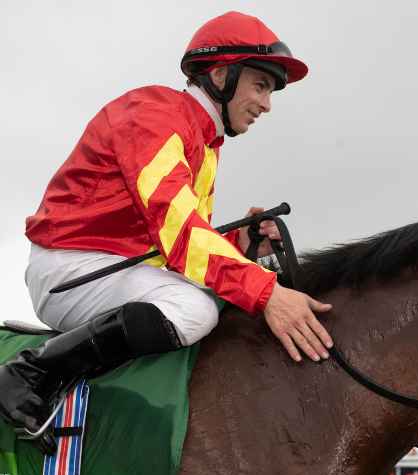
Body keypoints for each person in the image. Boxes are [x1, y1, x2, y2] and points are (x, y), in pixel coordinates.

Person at [0, 11, 333, 434]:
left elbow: (177, 242)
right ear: (222, 74)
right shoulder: (153, 115)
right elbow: (179, 236)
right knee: (194, 310)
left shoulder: (203, 141)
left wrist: (242, 243)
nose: (266, 105)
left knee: (221, 298)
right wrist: (267, 293)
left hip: (120, 268)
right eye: (261, 85)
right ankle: (31, 372)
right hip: (72, 270)